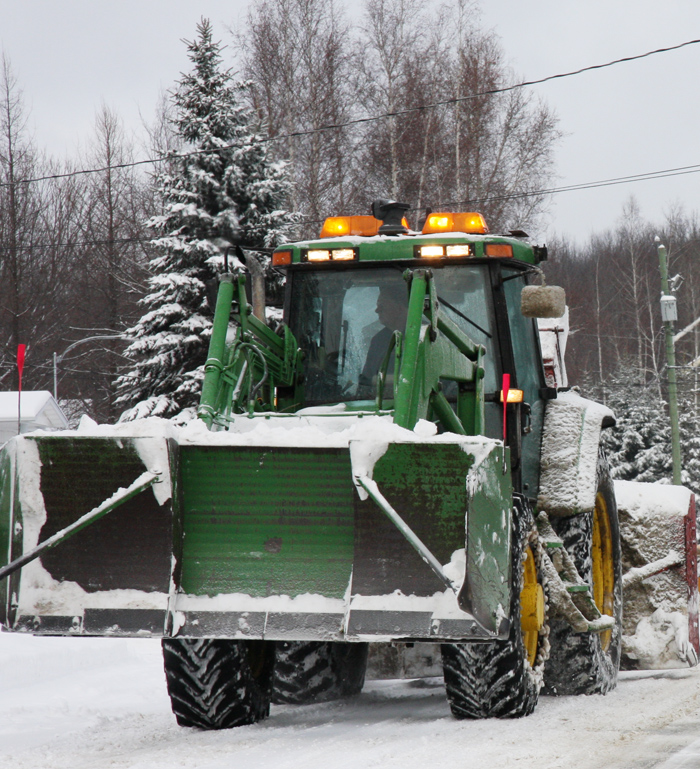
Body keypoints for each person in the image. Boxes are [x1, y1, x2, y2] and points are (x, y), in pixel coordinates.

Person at [359, 283, 408, 391]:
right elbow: (366, 381)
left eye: (382, 306)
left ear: (399, 307)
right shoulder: (378, 341)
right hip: (380, 402)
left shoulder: (427, 335)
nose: (377, 311)